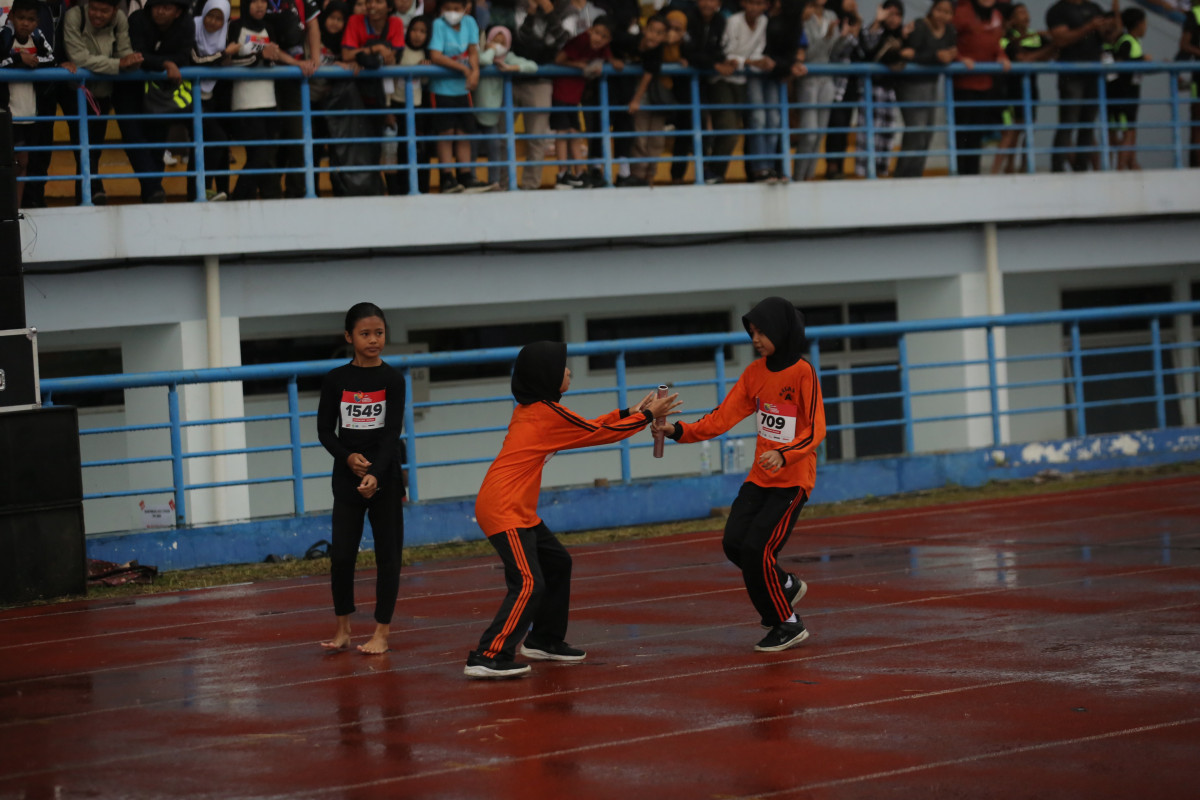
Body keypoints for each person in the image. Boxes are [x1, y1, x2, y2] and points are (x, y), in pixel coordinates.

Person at [464, 341, 681, 678]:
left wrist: (634, 412)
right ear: (547, 376)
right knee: (528, 583)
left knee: (557, 563)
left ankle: (544, 640)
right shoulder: (544, 414)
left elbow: (589, 426)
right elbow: (599, 433)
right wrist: (648, 415)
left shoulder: (539, 410)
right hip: (503, 509)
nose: (569, 372)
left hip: (517, 508)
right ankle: (488, 655)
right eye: (563, 367)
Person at [655, 297, 824, 653]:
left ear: (781, 330)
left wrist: (785, 453)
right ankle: (785, 586)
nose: (756, 339)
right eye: (752, 332)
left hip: (792, 481)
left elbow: (815, 430)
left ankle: (788, 623)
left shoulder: (803, 372)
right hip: (760, 477)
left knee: (758, 549)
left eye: (762, 332)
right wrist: (678, 431)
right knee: (735, 544)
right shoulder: (754, 374)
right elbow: (722, 417)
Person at [317, 302, 406, 656]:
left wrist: (375, 472)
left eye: (379, 333)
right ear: (349, 337)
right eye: (365, 334)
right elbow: (325, 430)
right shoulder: (337, 379)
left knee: (388, 556)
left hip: (384, 477)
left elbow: (391, 432)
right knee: (341, 556)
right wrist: (347, 457)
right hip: (347, 478)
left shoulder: (393, 380)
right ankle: (343, 629)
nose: (373, 340)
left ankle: (381, 633)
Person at [228, 0, 311, 200]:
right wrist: (259, 56)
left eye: (263, 1)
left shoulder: (268, 28)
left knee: (265, 154)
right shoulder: (236, 26)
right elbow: (228, 61)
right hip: (245, 101)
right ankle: (238, 197)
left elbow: (273, 55)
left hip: (269, 100)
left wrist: (296, 63)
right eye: (254, 1)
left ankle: (245, 197)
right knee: (259, 155)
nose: (259, 6)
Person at [62, 0, 142, 206]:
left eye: (104, 11)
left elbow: (124, 51)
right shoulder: (75, 16)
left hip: (104, 92)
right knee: (82, 147)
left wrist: (131, 61)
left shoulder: (120, 20)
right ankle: (88, 194)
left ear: (115, 10)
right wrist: (119, 64)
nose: (97, 15)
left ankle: (92, 191)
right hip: (76, 92)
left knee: (95, 146)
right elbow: (79, 58)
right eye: (94, 9)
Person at [122, 0, 192, 203]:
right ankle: (153, 190)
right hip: (130, 86)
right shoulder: (138, 19)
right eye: (156, 5)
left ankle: (152, 195)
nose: (160, 11)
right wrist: (166, 63)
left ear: (178, 12)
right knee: (132, 136)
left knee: (157, 142)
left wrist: (166, 63)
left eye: (167, 7)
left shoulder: (186, 23)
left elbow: (184, 55)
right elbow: (139, 53)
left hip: (160, 91)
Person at [0, 0, 63, 208]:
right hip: (7, 110)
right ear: (11, 18)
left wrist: (31, 61)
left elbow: (51, 58)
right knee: (7, 160)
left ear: (37, 22)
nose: (25, 24)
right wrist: (20, 59)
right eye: (21, 18)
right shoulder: (4, 36)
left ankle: (16, 207)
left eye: (30, 19)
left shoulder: (37, 37)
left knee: (24, 161)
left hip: (29, 109)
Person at [552, 15, 621, 188]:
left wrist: (613, 62)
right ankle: (562, 174)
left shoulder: (602, 49)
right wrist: (580, 65)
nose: (599, 39)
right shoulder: (580, 40)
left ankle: (581, 173)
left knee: (575, 132)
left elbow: (609, 58)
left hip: (575, 96)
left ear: (609, 39)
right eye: (597, 33)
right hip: (561, 93)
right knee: (562, 133)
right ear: (590, 30)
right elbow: (559, 59)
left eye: (604, 37)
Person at [428, 0, 487, 192]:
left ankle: (466, 176)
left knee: (464, 133)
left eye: (456, 9)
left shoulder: (469, 22)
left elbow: (472, 50)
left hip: (463, 90)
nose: (452, 12)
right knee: (445, 134)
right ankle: (446, 178)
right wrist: (464, 69)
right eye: (448, 9)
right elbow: (436, 55)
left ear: (465, 9)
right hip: (442, 89)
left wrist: (475, 71)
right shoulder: (438, 24)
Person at [894, 0, 957, 178]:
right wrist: (936, 57)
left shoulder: (950, 31)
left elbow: (951, 52)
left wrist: (951, 56)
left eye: (947, 12)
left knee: (928, 133)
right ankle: (902, 177)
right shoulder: (920, 26)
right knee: (916, 131)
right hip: (912, 84)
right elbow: (910, 54)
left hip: (931, 84)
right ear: (932, 9)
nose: (942, 15)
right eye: (939, 10)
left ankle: (916, 175)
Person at [991, 2, 1055, 175]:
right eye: (1020, 12)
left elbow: (1051, 51)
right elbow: (1014, 53)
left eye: (1025, 11)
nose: (1025, 15)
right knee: (1011, 130)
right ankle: (1000, 169)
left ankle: (1023, 167)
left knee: (1027, 128)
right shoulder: (1008, 35)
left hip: (1030, 89)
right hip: (1010, 89)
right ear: (1012, 18)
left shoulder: (1036, 37)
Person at [513, 0, 569, 190]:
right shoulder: (520, 8)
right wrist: (531, 13)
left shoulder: (564, 11)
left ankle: (530, 186)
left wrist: (550, 13)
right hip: (511, 79)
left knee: (537, 141)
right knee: (501, 137)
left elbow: (565, 43)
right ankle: (502, 185)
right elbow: (520, 41)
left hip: (541, 82)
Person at [951, 0, 1010, 176]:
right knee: (963, 133)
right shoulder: (961, 12)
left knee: (977, 132)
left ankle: (973, 173)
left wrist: (1002, 56)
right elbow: (947, 38)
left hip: (986, 83)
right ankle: (960, 173)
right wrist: (960, 59)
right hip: (963, 84)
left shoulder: (997, 15)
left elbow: (997, 43)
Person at [713, 0, 769, 184]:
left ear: (766, 6)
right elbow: (727, 53)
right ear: (744, 3)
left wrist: (756, 62)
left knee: (754, 124)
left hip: (745, 80)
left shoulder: (763, 22)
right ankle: (715, 173)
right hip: (723, 80)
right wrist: (750, 62)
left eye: (759, 3)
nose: (754, 7)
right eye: (751, 3)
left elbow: (758, 52)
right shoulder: (733, 22)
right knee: (729, 131)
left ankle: (754, 172)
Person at [1045, 0, 1105, 172]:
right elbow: (1061, 40)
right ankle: (1057, 168)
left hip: (1093, 75)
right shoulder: (1058, 10)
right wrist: (1089, 27)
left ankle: (1081, 168)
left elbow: (1109, 36)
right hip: (1071, 75)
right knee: (1068, 121)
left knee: (1088, 124)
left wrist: (1111, 22)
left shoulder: (1094, 8)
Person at [475, 25, 537, 190]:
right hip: (473, 109)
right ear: (488, 40)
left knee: (495, 146)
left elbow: (533, 66)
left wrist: (512, 68)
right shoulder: (479, 52)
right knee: (471, 146)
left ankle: (494, 181)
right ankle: (471, 179)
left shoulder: (507, 57)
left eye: (503, 42)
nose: (499, 45)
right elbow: (484, 61)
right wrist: (490, 51)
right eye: (496, 40)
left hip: (493, 113)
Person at [793, 0, 849, 181]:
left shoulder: (831, 16)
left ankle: (809, 177)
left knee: (819, 134)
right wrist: (828, 37)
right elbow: (807, 53)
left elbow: (834, 52)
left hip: (826, 78)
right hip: (808, 78)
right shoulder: (803, 16)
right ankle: (798, 177)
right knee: (809, 133)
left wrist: (843, 38)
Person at [190, 0, 234, 202]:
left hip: (216, 97)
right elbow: (194, 60)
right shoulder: (192, 26)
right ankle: (201, 191)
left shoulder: (227, 32)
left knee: (218, 144)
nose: (213, 22)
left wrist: (265, 51)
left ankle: (217, 191)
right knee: (211, 141)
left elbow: (244, 55)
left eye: (219, 18)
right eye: (210, 15)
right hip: (190, 98)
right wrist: (223, 55)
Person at [682, 0, 729, 184]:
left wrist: (710, 61)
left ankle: (706, 170)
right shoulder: (688, 18)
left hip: (709, 81)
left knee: (710, 125)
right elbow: (688, 52)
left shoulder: (720, 21)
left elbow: (720, 52)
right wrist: (712, 63)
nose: (707, 3)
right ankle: (679, 175)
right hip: (686, 83)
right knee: (689, 126)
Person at [858, 0, 906, 177]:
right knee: (870, 132)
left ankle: (881, 170)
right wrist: (877, 21)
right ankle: (866, 172)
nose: (894, 19)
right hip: (872, 88)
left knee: (887, 132)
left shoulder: (903, 35)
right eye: (890, 14)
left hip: (889, 90)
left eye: (898, 14)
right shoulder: (876, 31)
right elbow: (868, 47)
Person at [625, 14, 670, 186]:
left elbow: (648, 75)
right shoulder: (631, 42)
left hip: (655, 99)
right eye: (651, 30)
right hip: (640, 98)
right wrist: (635, 100)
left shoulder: (659, 50)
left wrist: (636, 100)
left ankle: (650, 176)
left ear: (664, 36)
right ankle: (637, 176)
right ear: (644, 29)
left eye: (660, 33)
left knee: (656, 140)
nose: (654, 36)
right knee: (640, 138)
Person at [1108, 6, 1147, 171]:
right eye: (1145, 23)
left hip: (1131, 93)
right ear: (1138, 24)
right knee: (1127, 132)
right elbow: (1121, 62)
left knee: (1130, 130)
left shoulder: (1134, 41)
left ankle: (1131, 163)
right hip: (1123, 94)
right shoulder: (1126, 41)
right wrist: (1142, 59)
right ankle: (1121, 167)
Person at [1180, 0, 1200, 167]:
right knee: (1197, 122)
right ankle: (1195, 165)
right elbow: (1184, 45)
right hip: (1199, 78)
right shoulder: (1194, 15)